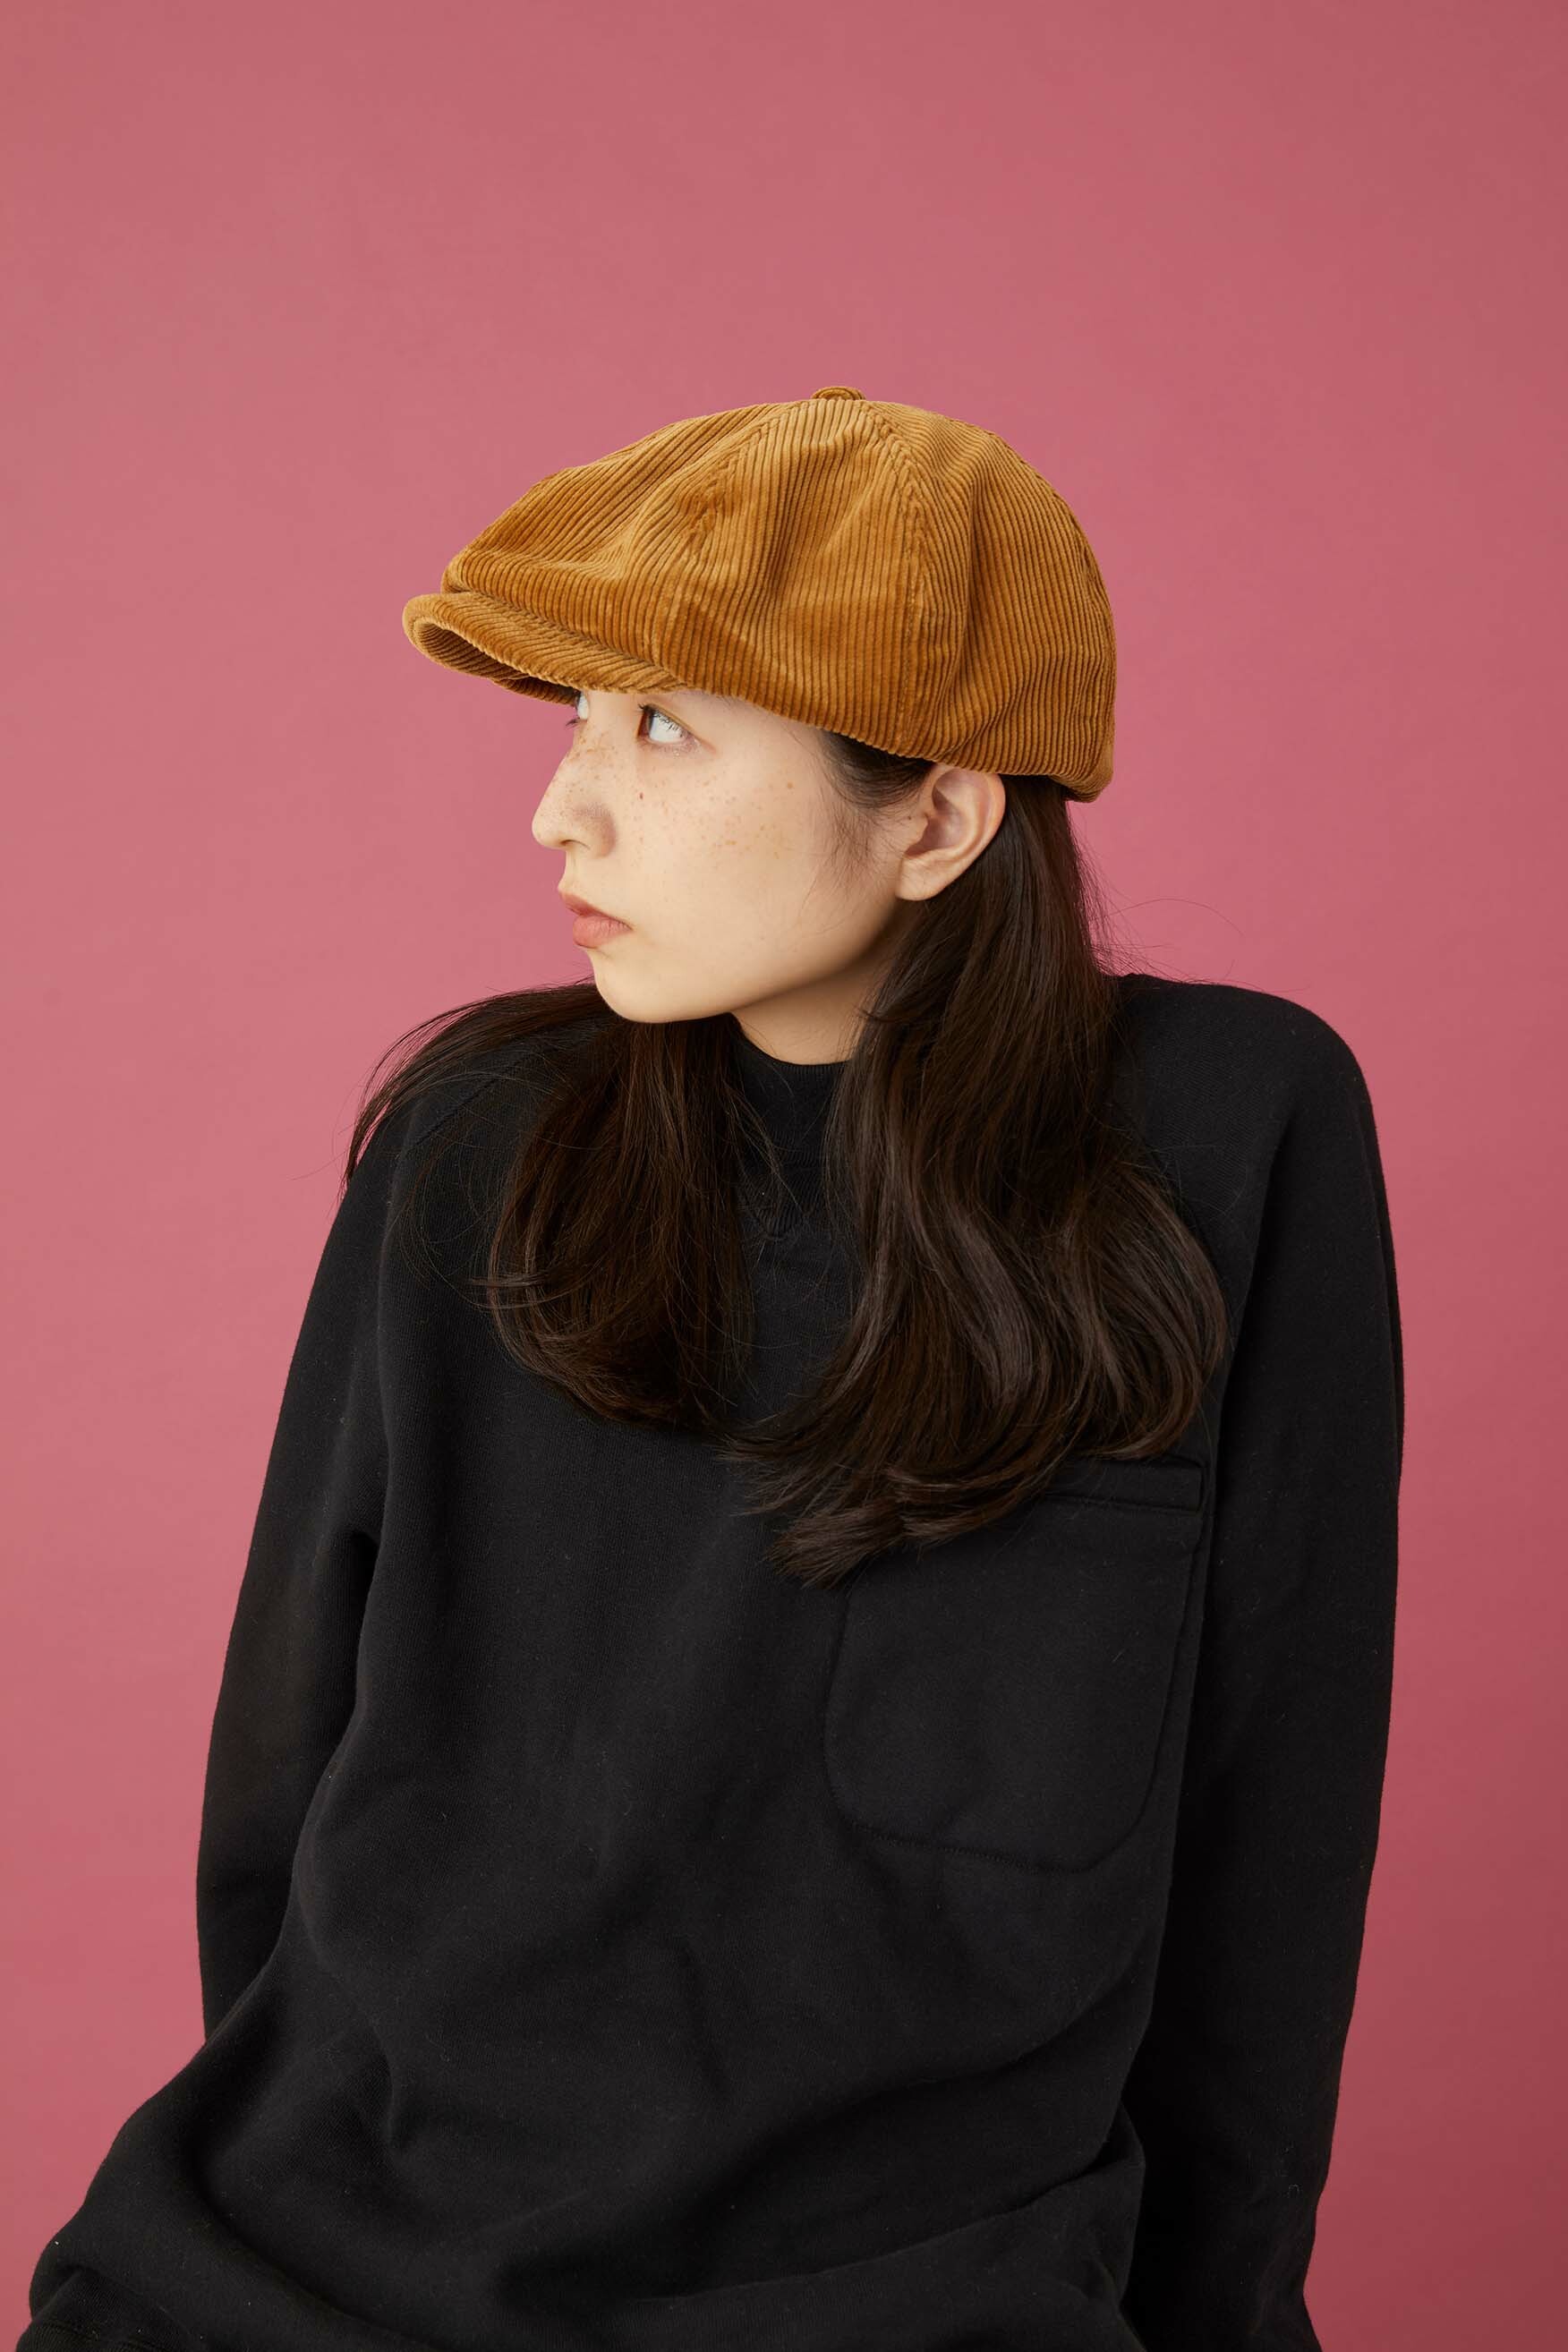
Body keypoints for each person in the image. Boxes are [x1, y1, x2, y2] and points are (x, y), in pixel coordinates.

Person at [20, 387, 1403, 2352]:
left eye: (662, 727)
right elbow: (288, 1779)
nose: (561, 811)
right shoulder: (485, 1138)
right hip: (309, 2270)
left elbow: (1271, 1827)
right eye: (576, 721)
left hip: (904, 2301)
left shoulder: (1225, 1135)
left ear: (937, 818)